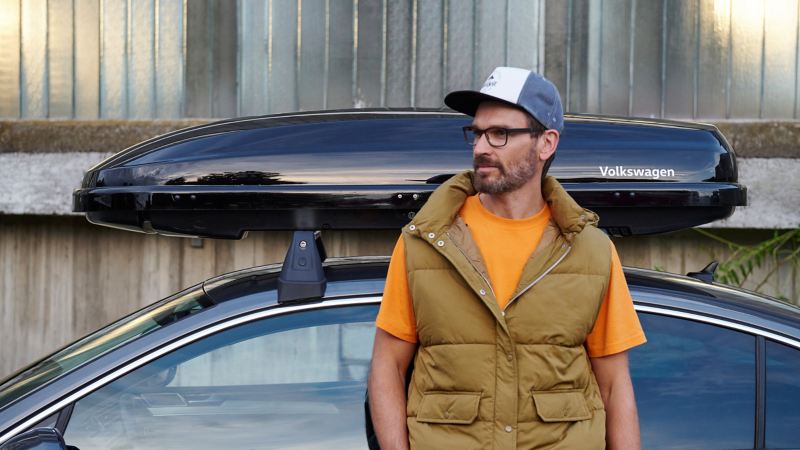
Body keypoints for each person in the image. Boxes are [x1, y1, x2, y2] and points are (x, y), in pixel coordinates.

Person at [368, 66, 647, 450]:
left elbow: (615, 386)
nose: (481, 147)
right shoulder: (425, 242)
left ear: (546, 143)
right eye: (477, 133)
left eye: (500, 134)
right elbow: (387, 366)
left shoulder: (591, 251)